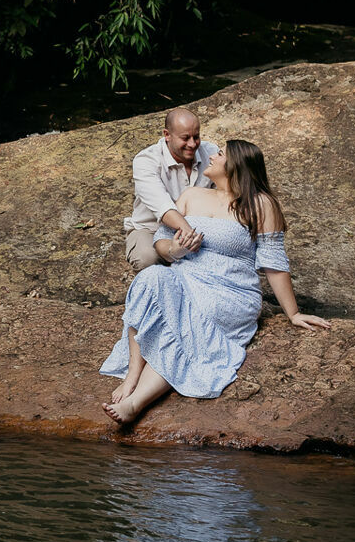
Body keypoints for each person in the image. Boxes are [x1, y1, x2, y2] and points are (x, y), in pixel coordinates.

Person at [99, 138, 330, 425]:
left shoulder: (261, 205)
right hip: (185, 278)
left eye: (220, 154)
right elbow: (161, 240)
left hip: (230, 291)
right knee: (150, 278)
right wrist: (176, 250)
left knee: (194, 319)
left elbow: (274, 263)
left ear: (236, 165)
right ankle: (133, 374)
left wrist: (292, 313)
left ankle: (135, 403)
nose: (211, 156)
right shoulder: (192, 195)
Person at [123, 108, 219, 274]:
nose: (192, 144)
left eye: (196, 137)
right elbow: (163, 207)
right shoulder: (146, 160)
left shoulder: (210, 152)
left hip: (200, 225)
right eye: (185, 138)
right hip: (151, 228)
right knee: (147, 259)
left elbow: (223, 193)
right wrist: (189, 235)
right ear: (167, 135)